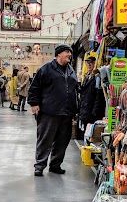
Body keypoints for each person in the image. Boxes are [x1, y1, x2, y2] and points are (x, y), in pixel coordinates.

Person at [28, 44, 78, 176]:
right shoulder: (46, 69)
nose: (69, 54)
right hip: (49, 111)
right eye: (67, 52)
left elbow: (74, 91)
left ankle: (55, 165)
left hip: (67, 113)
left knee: (62, 141)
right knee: (45, 139)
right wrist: (34, 103)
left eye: (70, 52)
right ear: (59, 54)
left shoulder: (71, 71)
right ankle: (39, 165)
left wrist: (75, 109)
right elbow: (34, 88)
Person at [78, 52, 105, 132]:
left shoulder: (97, 77)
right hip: (85, 110)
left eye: (91, 63)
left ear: (95, 64)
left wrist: (95, 112)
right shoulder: (86, 76)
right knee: (86, 133)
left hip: (92, 111)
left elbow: (99, 97)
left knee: (91, 133)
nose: (89, 65)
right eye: (87, 63)